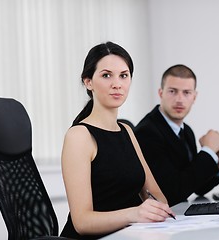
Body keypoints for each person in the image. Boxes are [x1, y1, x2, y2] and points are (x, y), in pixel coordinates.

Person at [60, 42, 175, 240]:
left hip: (127, 235)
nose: (117, 84)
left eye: (124, 75)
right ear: (88, 82)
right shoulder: (79, 136)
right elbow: (82, 222)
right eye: (106, 75)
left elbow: (157, 196)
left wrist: (153, 210)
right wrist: (135, 213)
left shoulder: (127, 131)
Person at [135, 64, 219, 207]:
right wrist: (208, 152)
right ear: (160, 93)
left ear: (194, 97)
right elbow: (171, 192)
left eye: (187, 93)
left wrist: (216, 161)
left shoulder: (186, 131)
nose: (179, 99)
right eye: (172, 91)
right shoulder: (147, 132)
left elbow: (197, 187)